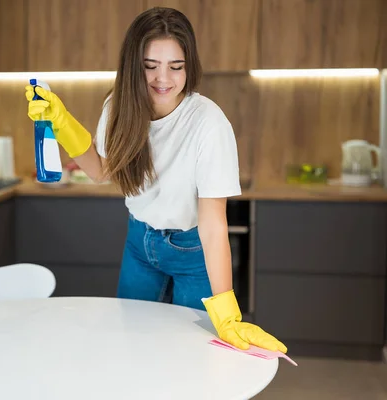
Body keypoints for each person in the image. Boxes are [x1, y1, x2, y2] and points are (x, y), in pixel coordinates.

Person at [24, 6, 286, 353]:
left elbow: (212, 224)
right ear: (134, 66)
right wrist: (61, 122)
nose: (163, 79)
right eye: (150, 66)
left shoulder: (208, 123)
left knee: (195, 354)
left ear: (189, 66)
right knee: (133, 347)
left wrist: (226, 312)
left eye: (176, 66)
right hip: (140, 244)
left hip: (193, 251)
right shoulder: (119, 106)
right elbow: (102, 170)